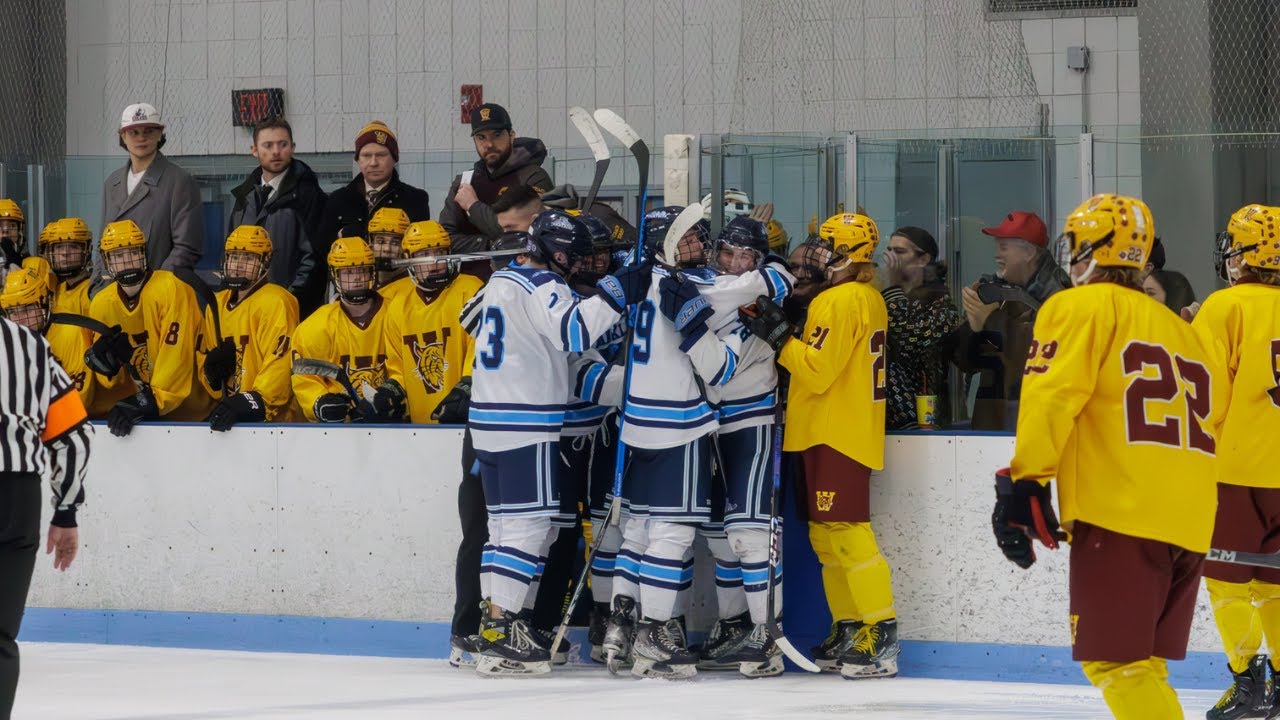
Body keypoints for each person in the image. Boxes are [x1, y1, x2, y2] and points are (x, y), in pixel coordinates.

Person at [994, 194, 1226, 720]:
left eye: (1076, 245)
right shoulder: (1182, 330)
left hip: (1123, 513)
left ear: (1094, 250)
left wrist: (1025, 483)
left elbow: (1052, 397)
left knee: (1115, 663)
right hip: (1190, 521)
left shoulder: (1076, 307)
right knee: (1143, 663)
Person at [461, 209, 640, 677]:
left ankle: (493, 626)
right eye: (575, 256)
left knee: (502, 530)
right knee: (529, 528)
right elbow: (575, 330)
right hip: (525, 421)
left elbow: (469, 318)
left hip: (487, 420)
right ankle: (503, 632)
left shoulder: (502, 279)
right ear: (558, 254)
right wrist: (618, 290)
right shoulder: (544, 284)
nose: (580, 264)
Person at [740, 213, 899, 680]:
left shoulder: (841, 299)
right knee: (826, 539)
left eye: (825, 246)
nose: (815, 253)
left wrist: (780, 338)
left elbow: (817, 370)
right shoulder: (862, 296)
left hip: (836, 432)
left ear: (846, 255)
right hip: (823, 430)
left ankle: (881, 631)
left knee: (847, 533)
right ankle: (849, 626)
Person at [601, 208, 743, 680]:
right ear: (666, 244)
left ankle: (621, 624)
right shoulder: (694, 289)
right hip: (678, 425)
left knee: (638, 532)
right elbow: (720, 371)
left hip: (636, 424)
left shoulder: (641, 281)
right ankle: (655, 635)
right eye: (688, 239)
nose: (700, 245)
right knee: (672, 535)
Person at [689, 216, 795, 678]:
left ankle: (767, 635)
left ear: (760, 260)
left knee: (750, 534)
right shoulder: (729, 284)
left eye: (746, 257)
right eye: (728, 254)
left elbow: (720, 368)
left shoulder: (762, 294)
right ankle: (734, 625)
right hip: (707, 424)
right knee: (717, 534)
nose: (734, 264)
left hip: (752, 420)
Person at [1190, 205, 1280, 720]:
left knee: (1227, 581)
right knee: (1275, 584)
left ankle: (1249, 684)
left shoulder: (1225, 307)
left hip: (1236, 476)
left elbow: (1206, 402)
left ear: (1247, 256)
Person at [0, 315, 93, 720]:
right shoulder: (30, 345)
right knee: (1, 636)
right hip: (18, 498)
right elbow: (76, 436)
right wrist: (66, 511)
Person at [85, 220, 211, 435]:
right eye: (118, 255)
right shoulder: (101, 303)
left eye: (133, 253)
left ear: (144, 253)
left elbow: (176, 360)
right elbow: (113, 382)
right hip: (147, 418)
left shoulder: (172, 289)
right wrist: (109, 366)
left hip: (195, 417)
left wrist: (146, 402)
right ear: (107, 261)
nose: (127, 262)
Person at [952, 211, 1071, 430]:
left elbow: (1046, 355)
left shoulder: (1060, 295)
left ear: (1028, 253)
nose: (997, 254)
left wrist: (990, 320)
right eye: (997, 246)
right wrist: (975, 328)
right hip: (992, 424)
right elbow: (966, 362)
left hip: (1038, 424)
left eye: (1004, 247)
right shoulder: (994, 291)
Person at [315, 121, 430, 310]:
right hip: (351, 292)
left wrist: (354, 235)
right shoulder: (338, 199)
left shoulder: (415, 199)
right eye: (366, 155)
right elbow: (321, 249)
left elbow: (420, 251)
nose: (374, 162)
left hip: (401, 294)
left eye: (381, 155)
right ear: (358, 159)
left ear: (394, 158)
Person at [290, 236, 406, 424]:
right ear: (335, 275)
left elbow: (408, 366)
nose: (357, 278)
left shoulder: (397, 314)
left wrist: (391, 394)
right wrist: (319, 402)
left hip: (396, 425)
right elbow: (305, 378)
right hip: (340, 430)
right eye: (349, 272)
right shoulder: (315, 326)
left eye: (362, 270)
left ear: (372, 272)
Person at [199, 226, 301, 431]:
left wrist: (254, 401)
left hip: (274, 424)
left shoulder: (277, 301)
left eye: (248, 258)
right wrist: (211, 376)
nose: (238, 266)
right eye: (234, 257)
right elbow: (204, 357)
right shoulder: (216, 304)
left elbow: (281, 362)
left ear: (265, 262)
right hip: (231, 414)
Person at [382, 220, 481, 424]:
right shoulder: (398, 306)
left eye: (439, 253)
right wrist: (389, 393)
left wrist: (468, 385)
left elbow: (480, 350)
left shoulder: (471, 289)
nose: (434, 262)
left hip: (468, 417)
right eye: (423, 255)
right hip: (419, 426)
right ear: (409, 260)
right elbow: (397, 368)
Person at [96, 103, 204, 290]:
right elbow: (102, 244)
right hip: (114, 293)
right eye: (134, 132)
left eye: (148, 131)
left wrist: (153, 289)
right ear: (123, 136)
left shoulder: (179, 181)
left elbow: (187, 247)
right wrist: (97, 286)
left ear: (159, 134)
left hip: (159, 294)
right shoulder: (112, 183)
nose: (141, 138)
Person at [226, 117, 326, 316]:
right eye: (268, 145)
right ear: (254, 150)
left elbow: (314, 261)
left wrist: (288, 302)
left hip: (291, 311)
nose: (276, 151)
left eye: (283, 144)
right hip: (246, 311)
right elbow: (230, 254)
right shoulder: (244, 198)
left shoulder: (309, 197)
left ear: (293, 147)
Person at [440, 103, 553, 253]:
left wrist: (472, 205)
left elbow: (531, 233)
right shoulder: (465, 181)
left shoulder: (533, 177)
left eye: (496, 135)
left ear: (511, 135)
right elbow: (444, 240)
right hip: (471, 269)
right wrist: (491, 244)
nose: (489, 144)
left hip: (520, 267)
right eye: (481, 137)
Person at [880, 227, 961, 430]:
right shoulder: (883, 297)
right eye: (889, 251)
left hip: (923, 420)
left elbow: (908, 341)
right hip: (883, 415)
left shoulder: (941, 305)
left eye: (899, 252)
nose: (891, 259)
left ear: (923, 259)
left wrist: (891, 287)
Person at [1, 265, 96, 410]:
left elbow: (78, 403)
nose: (20, 320)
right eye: (13, 312)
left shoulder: (70, 333)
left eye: (27, 309)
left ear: (44, 303)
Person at [40, 218, 94, 316]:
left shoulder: (93, 290)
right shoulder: (55, 288)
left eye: (73, 247)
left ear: (86, 250)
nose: (65, 253)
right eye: (59, 247)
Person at [367, 207, 413, 300]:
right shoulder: (363, 283)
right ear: (370, 245)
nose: (387, 249)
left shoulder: (413, 288)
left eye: (395, 243)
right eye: (381, 242)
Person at [0, 199, 27, 283]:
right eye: (0, 225)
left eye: (12, 226)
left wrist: (13, 259)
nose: (5, 230)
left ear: (19, 231)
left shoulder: (28, 262)